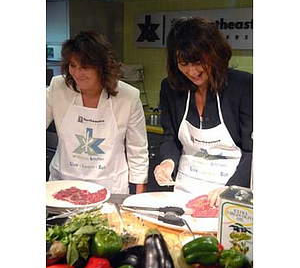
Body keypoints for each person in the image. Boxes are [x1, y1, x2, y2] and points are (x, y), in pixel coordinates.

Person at [154, 17, 253, 206]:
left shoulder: (244, 86)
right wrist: (168, 162)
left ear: (214, 54)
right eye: (184, 64)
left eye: (198, 62)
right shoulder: (171, 88)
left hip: (230, 192)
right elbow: (170, 137)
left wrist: (232, 188)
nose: (192, 72)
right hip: (185, 192)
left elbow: (253, 151)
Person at [46, 31, 148, 194]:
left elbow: (138, 150)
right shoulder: (58, 88)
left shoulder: (128, 97)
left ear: (102, 67)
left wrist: (138, 200)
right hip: (63, 186)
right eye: (73, 66)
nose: (77, 73)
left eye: (85, 67)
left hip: (110, 189)